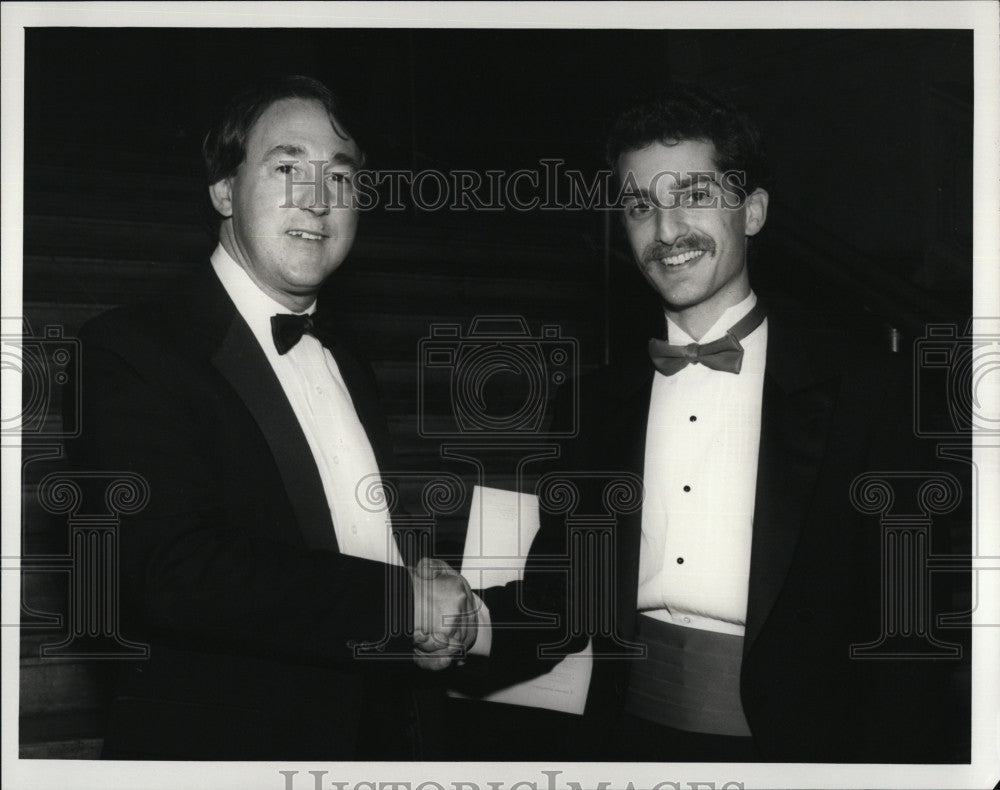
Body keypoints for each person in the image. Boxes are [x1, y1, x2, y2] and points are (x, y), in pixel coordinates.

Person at [456, 81, 963, 763]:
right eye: (641, 206)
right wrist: (457, 623)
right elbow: (560, 598)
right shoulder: (595, 402)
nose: (666, 232)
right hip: (625, 740)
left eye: (693, 195)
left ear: (751, 211)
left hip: (806, 753)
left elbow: (914, 630)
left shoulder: (870, 390)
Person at [67, 75, 477, 760]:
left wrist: (420, 616)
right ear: (224, 190)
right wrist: (397, 602)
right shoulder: (128, 350)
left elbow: (340, 544)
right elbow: (170, 572)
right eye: (287, 168)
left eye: (339, 180)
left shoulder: (349, 361)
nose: (317, 201)